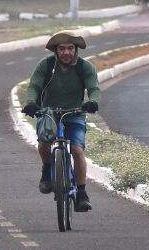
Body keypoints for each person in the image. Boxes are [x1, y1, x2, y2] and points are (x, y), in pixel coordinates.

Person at [21, 30, 101, 212]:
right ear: (56, 51)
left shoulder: (84, 67)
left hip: (75, 114)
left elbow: (94, 88)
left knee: (77, 150)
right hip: (49, 113)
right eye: (62, 49)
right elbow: (34, 86)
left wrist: (93, 102)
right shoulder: (46, 65)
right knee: (43, 142)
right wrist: (32, 103)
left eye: (70, 48)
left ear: (76, 49)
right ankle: (46, 170)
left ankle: (82, 193)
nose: (66, 53)